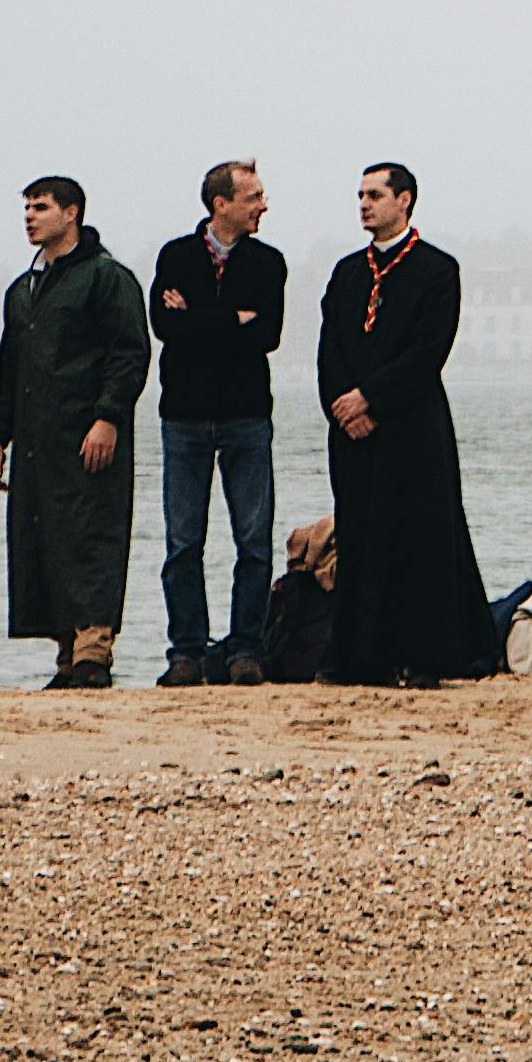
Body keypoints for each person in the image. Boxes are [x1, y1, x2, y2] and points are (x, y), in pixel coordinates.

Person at [317, 162, 494, 684]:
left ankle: (426, 657)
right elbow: (330, 348)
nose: (365, 204)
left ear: (405, 200)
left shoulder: (438, 269)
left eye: (375, 195)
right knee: (360, 536)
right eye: (360, 195)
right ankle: (361, 658)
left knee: (420, 537)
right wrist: (343, 404)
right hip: (352, 431)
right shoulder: (347, 272)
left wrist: (371, 398)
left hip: (412, 426)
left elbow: (427, 351)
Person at [0, 173, 151, 688]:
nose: (30, 217)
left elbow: (129, 354)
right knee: (46, 540)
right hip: (37, 442)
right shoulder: (23, 289)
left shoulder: (107, 277)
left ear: (72, 212)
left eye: (41, 207)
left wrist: (108, 417)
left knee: (92, 537)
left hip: (89, 434)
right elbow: (8, 368)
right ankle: (66, 655)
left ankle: (93, 654)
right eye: (27, 209)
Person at [148, 160, 285, 687]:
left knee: (253, 540)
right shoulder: (176, 256)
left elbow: (268, 334)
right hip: (184, 416)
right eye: (253, 196)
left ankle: (245, 650)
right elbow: (165, 327)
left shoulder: (269, 262)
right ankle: (185, 651)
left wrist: (199, 318)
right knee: (184, 542)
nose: (263, 205)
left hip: (247, 415)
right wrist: (233, 319)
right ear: (220, 203)